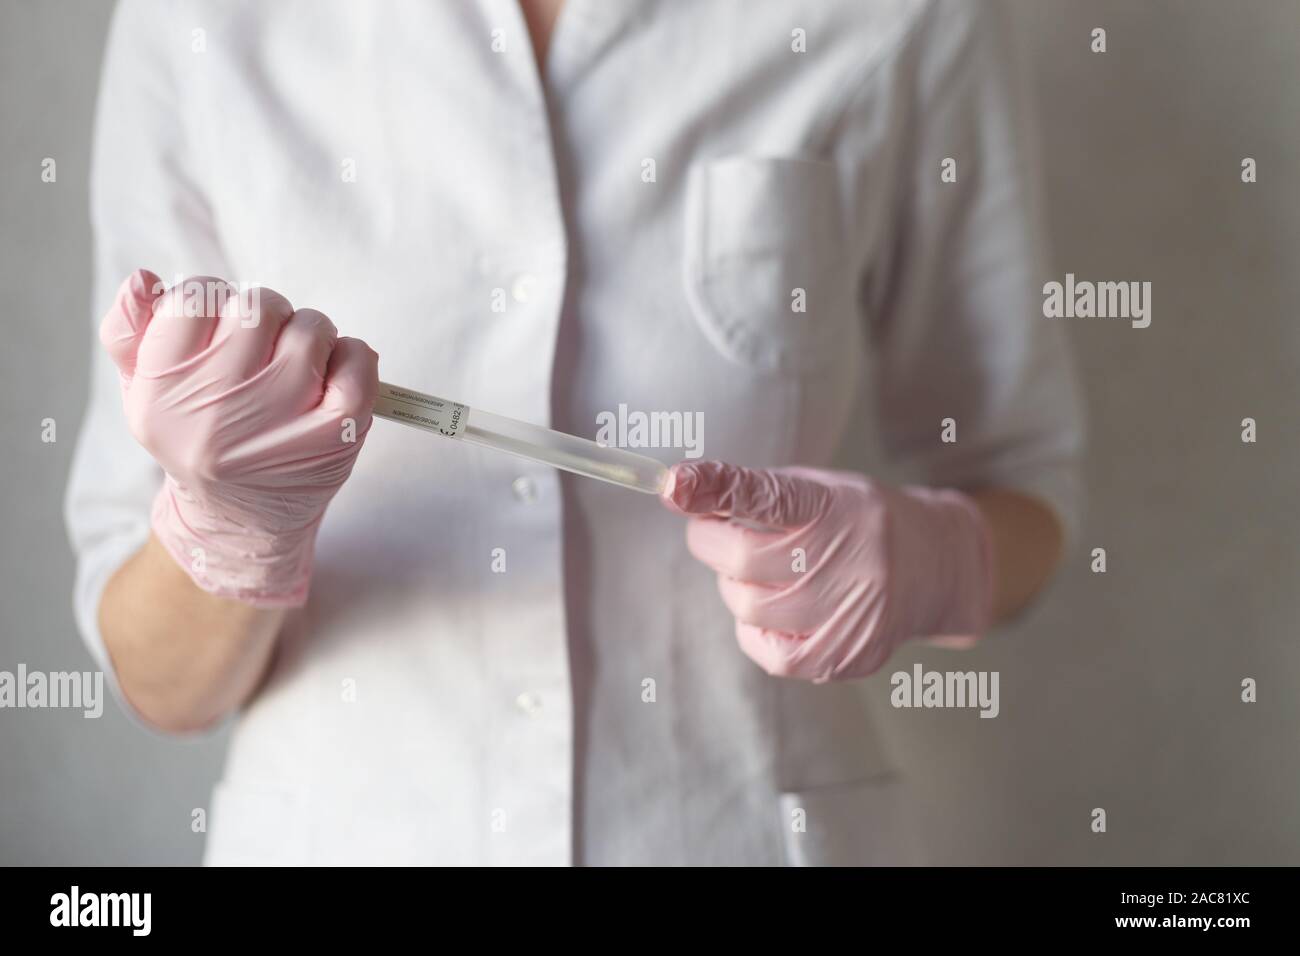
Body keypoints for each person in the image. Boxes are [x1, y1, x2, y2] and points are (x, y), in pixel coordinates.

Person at [66, 0, 1084, 865]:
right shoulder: (197, 20)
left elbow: (1023, 480)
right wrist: (229, 527)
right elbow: (162, 680)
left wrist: (933, 557)